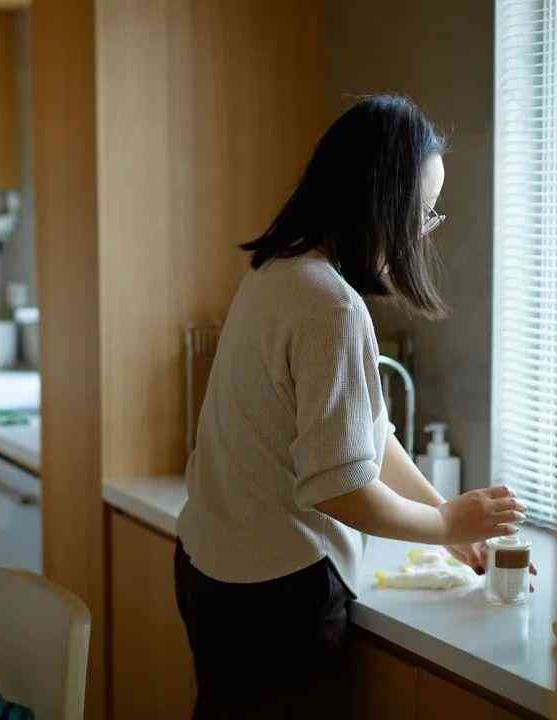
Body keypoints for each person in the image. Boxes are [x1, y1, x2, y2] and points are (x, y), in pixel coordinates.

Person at [173, 95, 532, 718]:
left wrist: (445, 517)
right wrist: (447, 525)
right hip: (276, 597)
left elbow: (367, 434)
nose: (422, 230)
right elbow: (340, 488)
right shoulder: (331, 307)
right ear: (380, 204)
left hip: (209, 569)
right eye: (422, 212)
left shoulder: (277, 272)